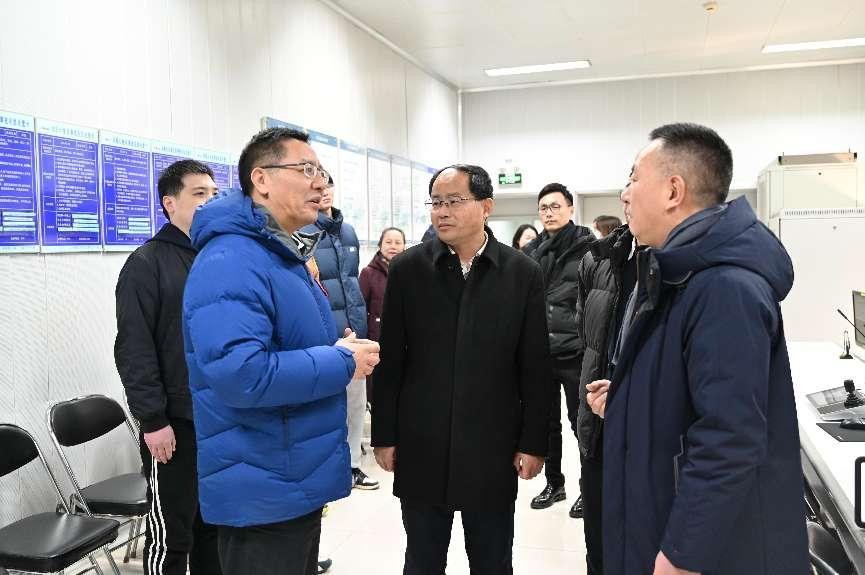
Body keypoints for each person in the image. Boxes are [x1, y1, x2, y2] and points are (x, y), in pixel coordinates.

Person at [587, 123, 809, 575]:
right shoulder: (678, 274)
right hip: (662, 520)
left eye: (633, 178)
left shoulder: (725, 287)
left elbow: (729, 437)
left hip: (708, 552)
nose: (624, 194)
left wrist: (683, 554)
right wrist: (629, 399)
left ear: (673, 191)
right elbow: (689, 395)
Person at [182, 127, 380, 575]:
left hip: (289, 477)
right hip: (261, 486)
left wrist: (337, 348)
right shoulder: (232, 258)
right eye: (306, 169)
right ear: (262, 179)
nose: (319, 183)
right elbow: (241, 373)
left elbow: (287, 347)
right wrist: (342, 360)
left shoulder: (278, 253)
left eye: (321, 171)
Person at [372, 164, 554, 575]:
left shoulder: (521, 272)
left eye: (454, 201)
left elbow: (534, 366)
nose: (442, 211)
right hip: (422, 441)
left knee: (492, 560)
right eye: (436, 202)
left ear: (486, 206)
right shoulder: (408, 269)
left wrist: (534, 443)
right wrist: (384, 435)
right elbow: (391, 360)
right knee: (422, 559)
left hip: (492, 445)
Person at [115, 159, 221, 575]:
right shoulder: (147, 263)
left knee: (213, 526)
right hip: (174, 423)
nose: (209, 202)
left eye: (214, 194)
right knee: (171, 536)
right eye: (199, 194)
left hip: (216, 416)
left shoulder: (216, 255)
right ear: (169, 203)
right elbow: (134, 348)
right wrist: (154, 420)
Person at [522, 183, 595, 517]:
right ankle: (554, 483)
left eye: (555, 206)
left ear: (570, 209)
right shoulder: (531, 251)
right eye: (543, 208)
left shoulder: (588, 248)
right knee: (546, 423)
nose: (548, 213)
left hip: (575, 350)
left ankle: (589, 489)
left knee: (581, 421)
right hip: (540, 351)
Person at [302, 176, 378, 491]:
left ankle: (353, 465)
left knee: (356, 403)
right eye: (317, 188)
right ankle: (328, 467)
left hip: (353, 327)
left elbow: (350, 280)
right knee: (327, 405)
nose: (323, 193)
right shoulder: (302, 231)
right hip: (324, 334)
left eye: (328, 187)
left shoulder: (347, 232)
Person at [575, 202, 637, 575]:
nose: (628, 195)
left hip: (650, 432)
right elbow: (586, 329)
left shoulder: (686, 264)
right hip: (597, 422)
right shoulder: (599, 258)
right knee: (598, 543)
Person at [359, 227, 406, 403]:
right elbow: (360, 308)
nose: (393, 246)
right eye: (388, 242)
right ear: (380, 245)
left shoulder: (410, 272)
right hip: (376, 340)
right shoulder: (368, 273)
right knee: (378, 390)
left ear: (404, 246)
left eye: (398, 242)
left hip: (405, 339)